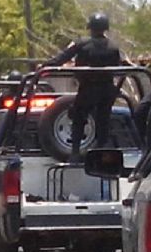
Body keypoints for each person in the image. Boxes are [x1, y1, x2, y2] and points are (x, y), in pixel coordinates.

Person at [45, 13, 123, 162]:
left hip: (88, 88)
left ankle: (75, 152)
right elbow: (118, 66)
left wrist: (45, 68)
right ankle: (102, 153)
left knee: (79, 116)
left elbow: (62, 58)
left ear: (91, 28)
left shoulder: (81, 44)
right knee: (103, 120)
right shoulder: (113, 47)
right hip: (107, 89)